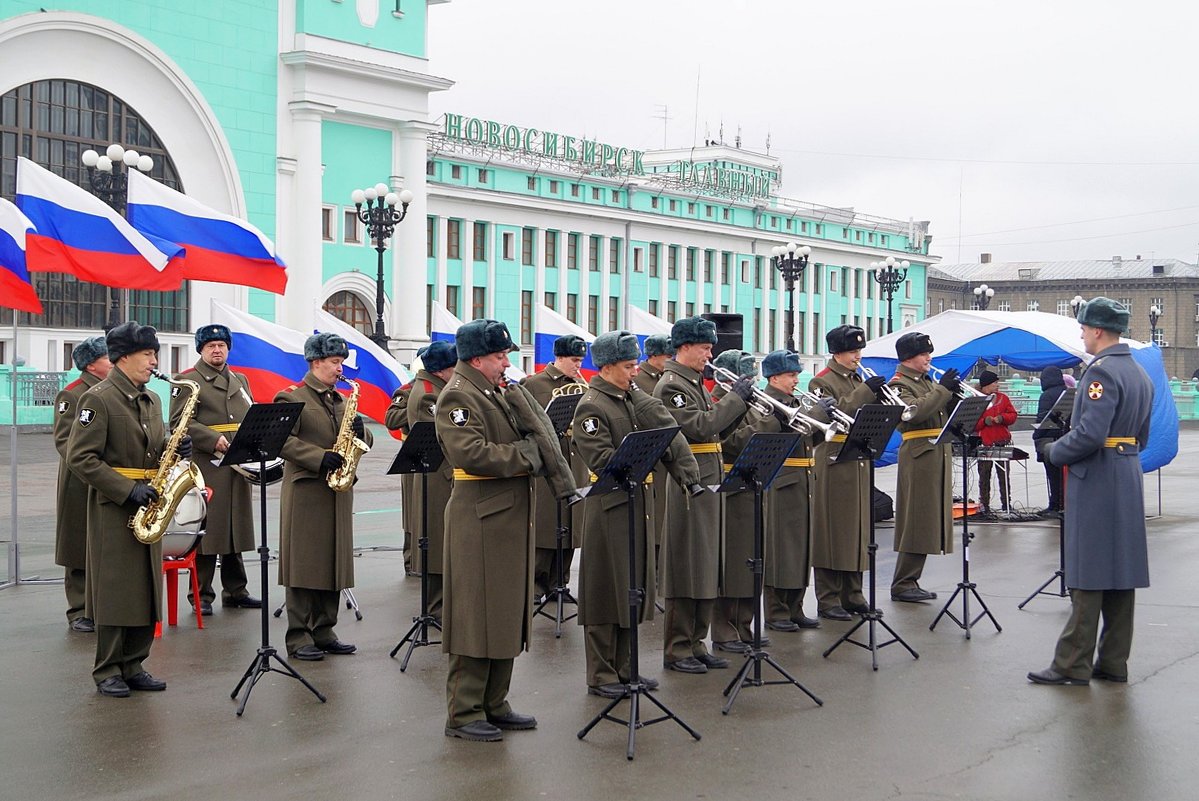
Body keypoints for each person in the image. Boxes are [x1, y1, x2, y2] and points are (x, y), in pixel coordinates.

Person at [436, 319, 576, 742]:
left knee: (503, 612)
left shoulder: (494, 391)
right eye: (500, 356)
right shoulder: (457, 397)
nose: (506, 363)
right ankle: (463, 711)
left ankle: (495, 702)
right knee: (476, 615)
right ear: (477, 358)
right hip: (480, 517)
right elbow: (471, 453)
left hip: (507, 517)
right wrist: (529, 455)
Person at [1028, 297, 1153, 686]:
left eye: (1083, 327)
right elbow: (1142, 436)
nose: (1081, 333)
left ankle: (1071, 664)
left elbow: (1090, 434)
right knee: (1121, 571)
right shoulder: (1139, 374)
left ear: (1098, 330)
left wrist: (1054, 450)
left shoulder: (1100, 375)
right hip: (1126, 474)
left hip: (1096, 477)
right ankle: (1114, 662)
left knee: (1088, 570)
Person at [572, 331, 700, 698]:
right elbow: (601, 458)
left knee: (632, 586)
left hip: (636, 502)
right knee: (603, 590)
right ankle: (601, 673)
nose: (635, 372)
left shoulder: (630, 398)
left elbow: (665, 430)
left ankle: (627, 667)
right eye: (628, 367)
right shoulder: (592, 405)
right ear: (608, 366)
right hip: (609, 504)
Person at [67, 322, 188, 697]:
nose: (154, 362)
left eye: (154, 354)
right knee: (115, 590)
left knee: (143, 588)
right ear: (123, 358)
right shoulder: (98, 399)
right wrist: (126, 490)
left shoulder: (150, 399)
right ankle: (107, 670)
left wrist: (173, 445)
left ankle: (135, 663)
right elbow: (80, 458)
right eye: (147, 355)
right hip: (115, 507)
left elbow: (152, 443)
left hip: (148, 503)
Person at [653, 317, 752, 674]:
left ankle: (696, 641)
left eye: (711, 348)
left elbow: (717, 431)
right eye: (705, 348)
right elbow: (698, 427)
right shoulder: (671, 386)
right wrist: (735, 402)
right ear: (684, 347)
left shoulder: (692, 382)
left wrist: (742, 407)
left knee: (706, 563)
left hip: (709, 479)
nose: (710, 354)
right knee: (687, 564)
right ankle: (677, 647)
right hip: (687, 483)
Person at [274, 333, 373, 662]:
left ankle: (325, 629)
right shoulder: (291, 398)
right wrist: (318, 457)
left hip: (338, 492)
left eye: (340, 362)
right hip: (306, 491)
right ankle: (299, 636)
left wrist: (362, 430)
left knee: (334, 560)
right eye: (335, 362)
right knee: (304, 564)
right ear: (316, 362)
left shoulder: (341, 399)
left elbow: (364, 438)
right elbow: (281, 441)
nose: (340, 368)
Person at [171, 324, 261, 615]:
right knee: (206, 530)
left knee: (235, 528)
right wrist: (212, 439)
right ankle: (201, 594)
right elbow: (178, 423)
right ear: (201, 349)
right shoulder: (187, 380)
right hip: (207, 465)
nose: (217, 349)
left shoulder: (240, 379)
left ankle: (236, 590)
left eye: (222, 345)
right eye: (211, 345)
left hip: (238, 462)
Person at [809, 325, 889, 621]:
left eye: (859, 351)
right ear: (838, 353)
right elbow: (835, 414)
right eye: (853, 352)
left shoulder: (858, 378)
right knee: (832, 530)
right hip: (834, 459)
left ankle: (853, 594)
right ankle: (828, 598)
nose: (858, 356)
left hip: (858, 458)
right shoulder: (822, 382)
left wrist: (879, 399)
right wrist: (865, 392)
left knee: (857, 529)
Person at [520, 334, 590, 600]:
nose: (578, 365)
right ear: (559, 358)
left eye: (581, 360)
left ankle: (560, 583)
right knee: (546, 524)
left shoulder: (581, 385)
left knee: (570, 526)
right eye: (574, 360)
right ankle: (537, 585)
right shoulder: (533, 384)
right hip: (548, 462)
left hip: (574, 460)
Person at [889, 332, 957, 603]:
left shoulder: (926, 380)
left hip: (935, 452)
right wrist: (943, 390)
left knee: (928, 519)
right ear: (908, 358)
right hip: (918, 455)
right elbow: (913, 413)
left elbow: (937, 411)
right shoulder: (897, 385)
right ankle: (903, 582)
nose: (929, 358)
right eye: (923, 354)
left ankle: (911, 579)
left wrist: (951, 395)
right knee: (916, 519)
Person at [53, 335, 110, 633]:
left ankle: (100, 606)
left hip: (108, 479)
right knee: (77, 545)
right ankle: (78, 610)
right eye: (108, 358)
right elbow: (64, 440)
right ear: (91, 365)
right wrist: (93, 467)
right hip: (79, 482)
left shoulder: (109, 392)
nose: (114, 362)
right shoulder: (72, 394)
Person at [711, 349, 764, 653]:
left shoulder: (750, 399)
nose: (752, 380)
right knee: (731, 560)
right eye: (747, 375)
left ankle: (744, 623)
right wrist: (768, 427)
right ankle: (723, 628)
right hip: (731, 485)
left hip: (752, 482)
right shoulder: (720, 400)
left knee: (751, 557)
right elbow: (727, 441)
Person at [404, 340, 457, 621]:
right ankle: (435, 609)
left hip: (442, 474)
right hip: (436, 476)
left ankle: (443, 606)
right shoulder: (427, 394)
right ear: (441, 370)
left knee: (443, 541)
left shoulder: (437, 388)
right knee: (435, 542)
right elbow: (441, 434)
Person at [633, 333, 673, 574]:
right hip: (652, 460)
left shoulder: (663, 377)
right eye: (668, 356)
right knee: (655, 521)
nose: (670, 360)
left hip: (666, 457)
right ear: (655, 356)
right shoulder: (640, 381)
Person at [385, 346, 425, 577]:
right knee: (412, 510)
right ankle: (411, 560)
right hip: (412, 455)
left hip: (437, 456)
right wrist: (414, 408)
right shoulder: (406, 391)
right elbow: (390, 418)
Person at [973, 369, 1017, 515]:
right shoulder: (976, 400)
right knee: (984, 475)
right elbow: (971, 424)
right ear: (986, 385)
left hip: (1001, 442)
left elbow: (1012, 415)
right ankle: (984, 504)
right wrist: (983, 422)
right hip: (984, 443)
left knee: (1004, 475)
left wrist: (1002, 418)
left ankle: (1006, 503)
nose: (997, 385)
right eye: (994, 383)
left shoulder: (1003, 398)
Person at [1033, 366, 1068, 516]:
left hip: (1049, 439)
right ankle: (1065, 504)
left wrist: (1036, 436)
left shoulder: (1047, 395)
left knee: (1053, 475)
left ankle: (1054, 506)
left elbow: (1042, 420)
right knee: (1064, 475)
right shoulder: (1067, 393)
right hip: (1065, 437)